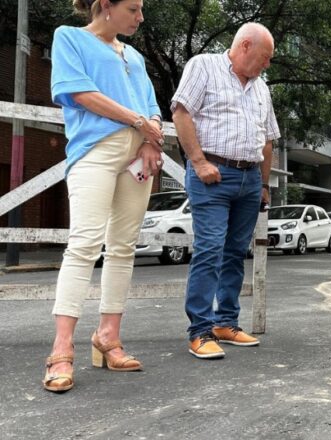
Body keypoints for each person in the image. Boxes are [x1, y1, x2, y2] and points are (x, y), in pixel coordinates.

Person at [44, 0, 165, 393]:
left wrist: (151, 139)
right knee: (83, 244)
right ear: (105, 7)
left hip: (138, 156)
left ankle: (108, 337)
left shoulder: (135, 57)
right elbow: (77, 92)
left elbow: (152, 107)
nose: (140, 17)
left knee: (123, 247)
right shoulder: (70, 38)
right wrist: (138, 122)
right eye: (133, 8)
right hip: (95, 151)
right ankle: (61, 350)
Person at [171, 23, 279, 359]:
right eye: (265, 57)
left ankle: (225, 323)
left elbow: (268, 140)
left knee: (235, 252)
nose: (267, 65)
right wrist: (199, 162)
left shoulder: (262, 88)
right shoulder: (203, 66)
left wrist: (262, 184)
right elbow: (181, 112)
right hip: (213, 176)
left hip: (249, 180)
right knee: (210, 249)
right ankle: (200, 331)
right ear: (245, 45)